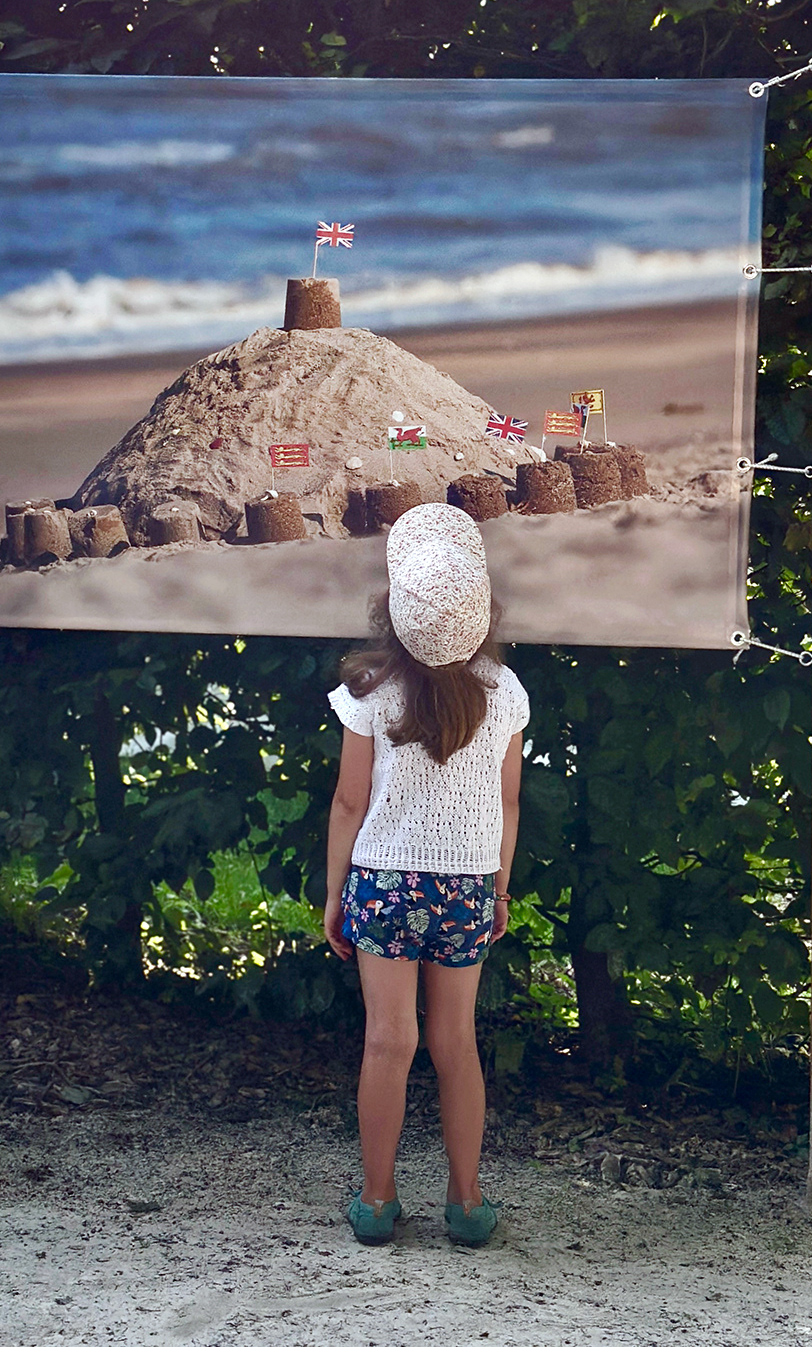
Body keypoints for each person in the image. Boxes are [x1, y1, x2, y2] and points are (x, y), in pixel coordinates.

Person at [324, 503, 529, 1248]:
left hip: (383, 886)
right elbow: (509, 802)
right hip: (467, 885)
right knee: (456, 1043)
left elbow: (350, 803)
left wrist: (334, 895)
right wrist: (499, 889)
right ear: (481, 609)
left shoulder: (370, 692)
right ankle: (466, 1202)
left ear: (393, 608)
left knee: (387, 1042)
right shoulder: (505, 693)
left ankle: (378, 1200)